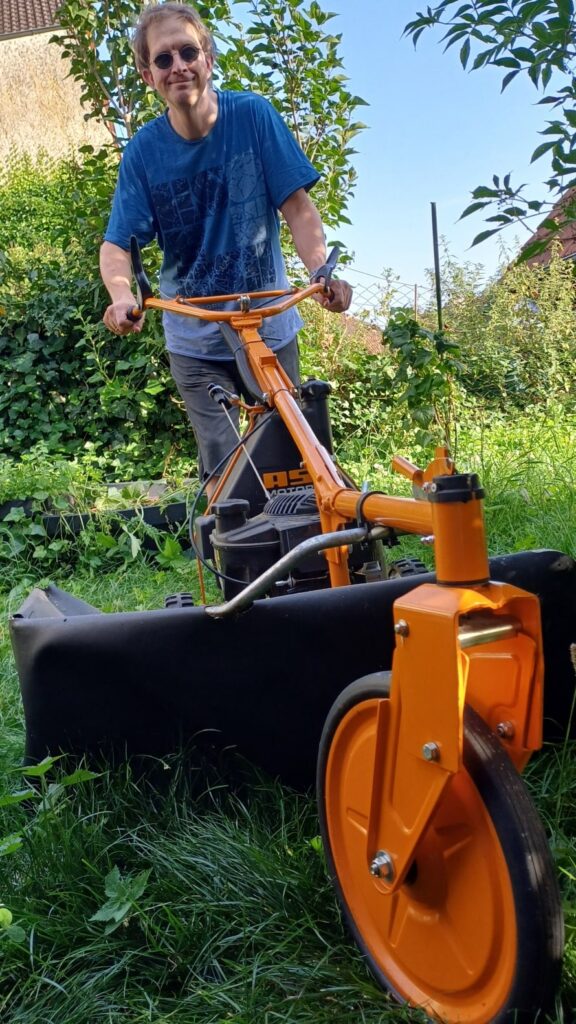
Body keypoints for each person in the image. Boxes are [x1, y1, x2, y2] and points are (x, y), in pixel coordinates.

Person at [100, 1, 352, 493]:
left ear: (208, 57)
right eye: (163, 59)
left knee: (289, 459)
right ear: (147, 74)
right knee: (225, 471)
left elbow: (297, 209)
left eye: (188, 51)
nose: (179, 67)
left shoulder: (254, 117)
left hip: (269, 326)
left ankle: (303, 563)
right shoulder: (144, 152)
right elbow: (117, 244)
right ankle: (234, 565)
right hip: (194, 337)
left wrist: (320, 269)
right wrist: (121, 295)